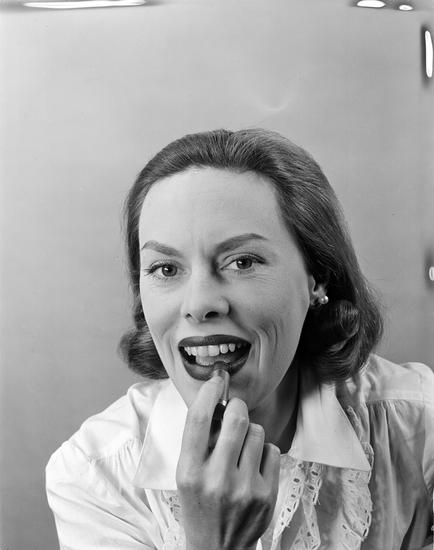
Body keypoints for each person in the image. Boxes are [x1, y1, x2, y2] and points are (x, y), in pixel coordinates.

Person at [46, 128, 434, 550]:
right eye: (166, 269)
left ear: (318, 278)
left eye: (242, 262)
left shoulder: (419, 425)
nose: (199, 304)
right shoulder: (93, 476)